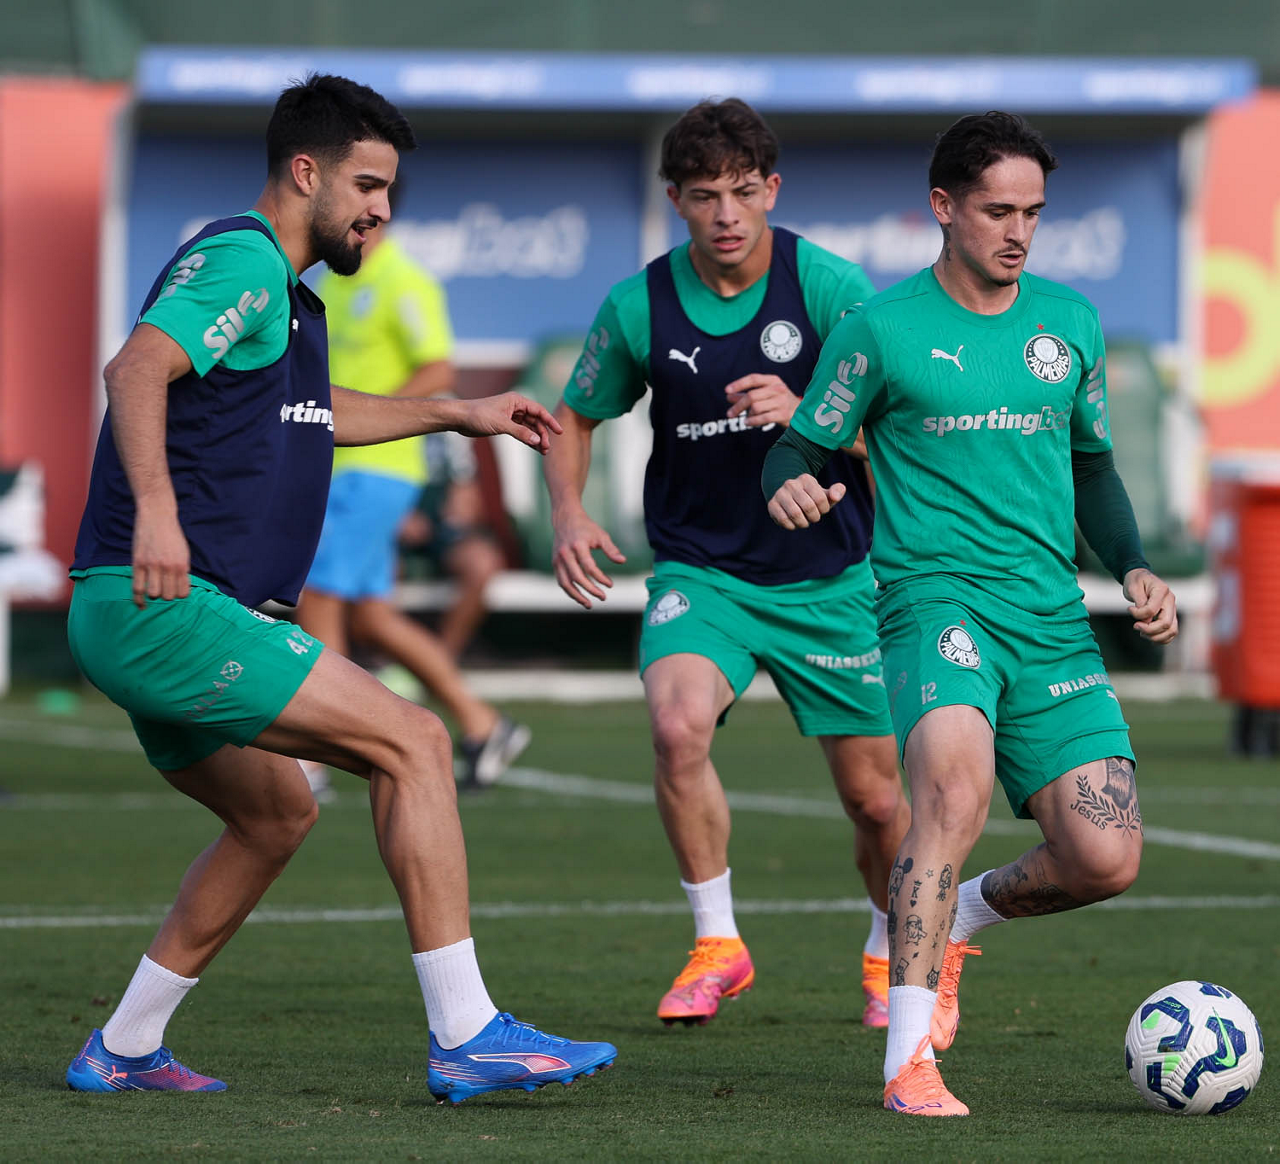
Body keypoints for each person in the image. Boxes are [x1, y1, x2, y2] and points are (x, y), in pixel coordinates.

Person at [62, 73, 614, 1102]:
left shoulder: (285, 297)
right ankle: (466, 1032)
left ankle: (123, 1046)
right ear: (305, 171)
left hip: (141, 618)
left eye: (390, 190)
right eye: (367, 184)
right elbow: (136, 368)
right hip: (168, 612)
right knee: (416, 741)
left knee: (275, 814)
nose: (381, 210)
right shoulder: (241, 259)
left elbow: (317, 415)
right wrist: (160, 514)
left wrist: (461, 412)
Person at [762, 110, 1179, 1116]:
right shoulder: (879, 330)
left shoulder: (1067, 325)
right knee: (950, 791)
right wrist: (790, 485)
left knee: (1104, 857)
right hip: (929, 600)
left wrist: (1130, 566)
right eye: (996, 210)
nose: (1017, 231)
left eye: (1032, 212)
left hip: (1047, 616)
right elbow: (800, 447)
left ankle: (961, 920)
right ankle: (906, 1057)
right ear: (942, 208)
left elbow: (1090, 469)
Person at [545, 99, 911, 1029]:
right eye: (705, 195)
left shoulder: (830, 288)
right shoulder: (639, 304)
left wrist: (809, 408)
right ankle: (718, 942)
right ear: (675, 199)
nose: (726, 215)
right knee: (676, 729)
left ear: (772, 190)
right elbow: (575, 417)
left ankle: (886, 951)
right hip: (704, 575)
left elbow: (904, 429)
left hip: (834, 581)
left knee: (875, 802)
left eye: (744, 193)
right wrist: (568, 512)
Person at [296, 214, 527, 798]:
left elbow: (439, 369)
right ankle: (483, 724)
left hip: (378, 469)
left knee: (317, 598)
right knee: (371, 616)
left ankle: (315, 759)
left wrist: (372, 414)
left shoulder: (405, 280)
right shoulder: (329, 283)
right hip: (334, 467)